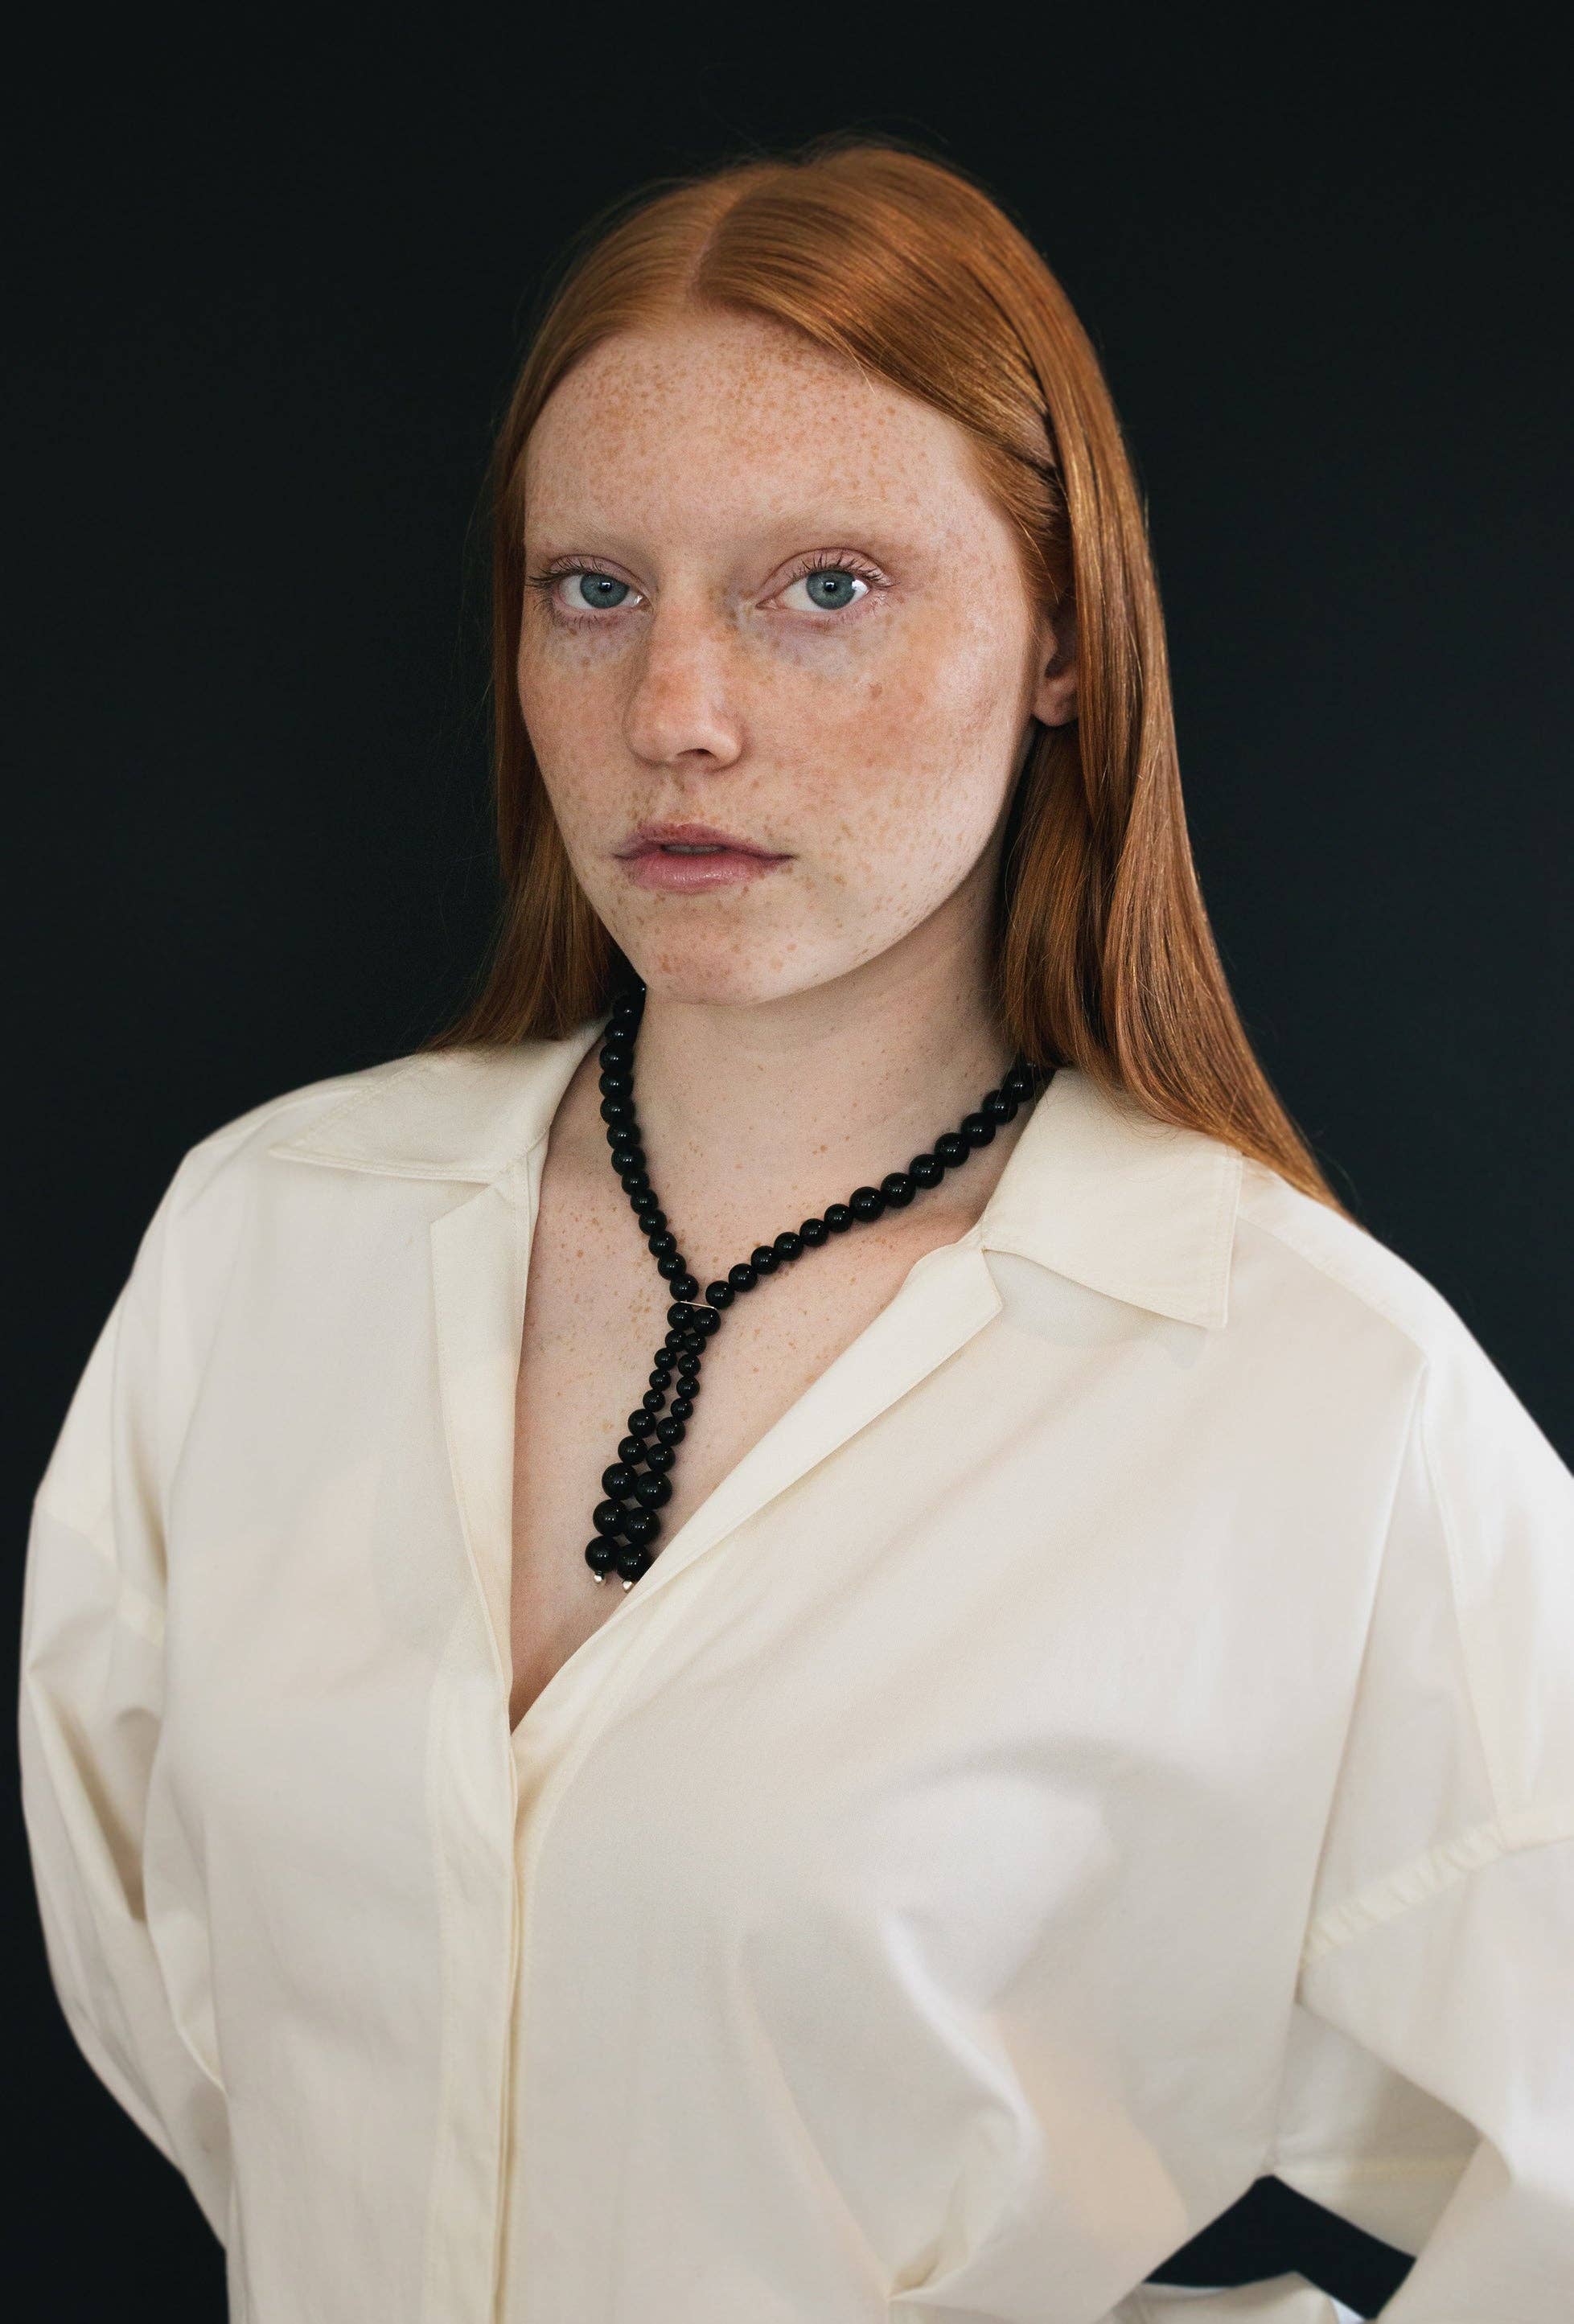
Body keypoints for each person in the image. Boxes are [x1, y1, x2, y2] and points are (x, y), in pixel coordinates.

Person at [18, 136, 1572, 2324]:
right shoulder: (271, 1245)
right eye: (594, 588)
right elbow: (208, 2049)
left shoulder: (1303, 1390)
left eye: (823, 586)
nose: (676, 712)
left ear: (1059, 637)